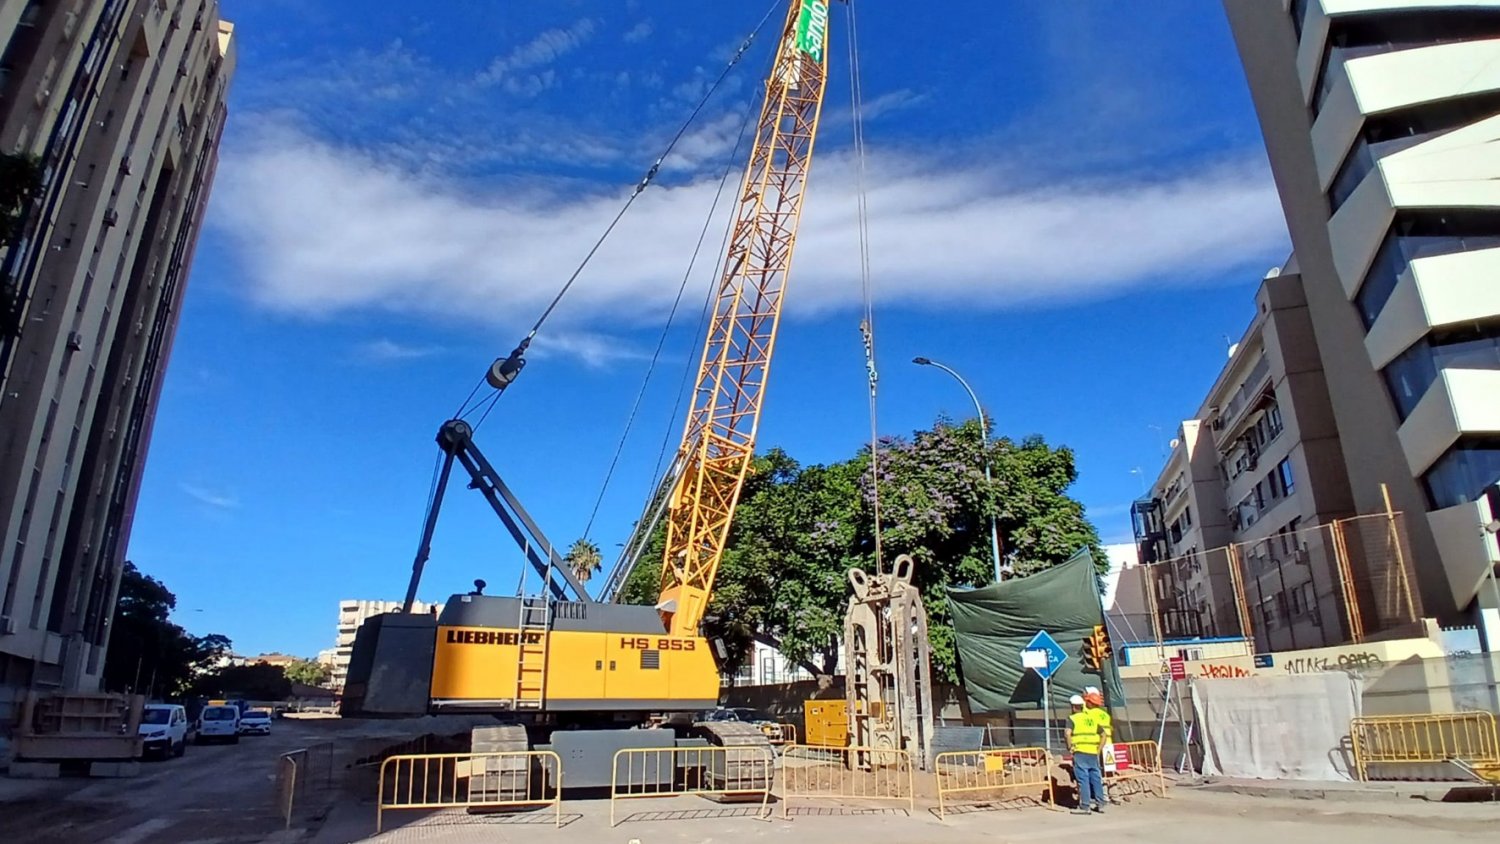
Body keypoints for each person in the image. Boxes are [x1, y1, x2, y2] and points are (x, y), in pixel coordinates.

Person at [1065, 689, 1112, 814]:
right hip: (1092, 752)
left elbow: (1067, 733)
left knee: (1083, 779)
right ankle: (1100, 804)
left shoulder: (1072, 718)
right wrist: (1098, 750)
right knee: (1096, 777)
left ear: (1073, 707)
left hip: (1080, 752)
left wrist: (1069, 746)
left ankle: (1085, 806)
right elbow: (1103, 735)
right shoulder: (1092, 719)